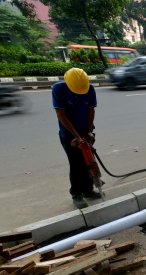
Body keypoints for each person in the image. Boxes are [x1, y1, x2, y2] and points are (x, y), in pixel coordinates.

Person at [52, 68, 100, 209]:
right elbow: (61, 114)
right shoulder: (59, 89)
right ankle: (76, 194)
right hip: (69, 135)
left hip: (85, 132)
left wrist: (88, 131)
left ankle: (88, 189)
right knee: (76, 165)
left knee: (89, 161)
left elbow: (91, 110)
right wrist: (76, 136)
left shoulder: (89, 89)